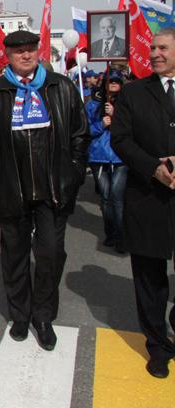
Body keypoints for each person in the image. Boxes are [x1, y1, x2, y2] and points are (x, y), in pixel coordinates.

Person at [0, 29, 89, 351]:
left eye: (30, 49)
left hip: (53, 191)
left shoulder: (60, 87)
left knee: (50, 254)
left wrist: (74, 174)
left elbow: (80, 134)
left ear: (38, 50)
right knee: (15, 257)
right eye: (18, 50)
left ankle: (43, 315)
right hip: (11, 190)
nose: (25, 55)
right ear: (7, 55)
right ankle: (20, 314)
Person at [110, 28, 175, 378]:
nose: (154, 53)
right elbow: (120, 139)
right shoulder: (134, 92)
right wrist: (154, 168)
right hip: (148, 197)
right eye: (152, 48)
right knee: (150, 277)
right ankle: (157, 345)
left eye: (162, 48)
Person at [86, 70, 127, 253]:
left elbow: (134, 127)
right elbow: (85, 130)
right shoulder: (93, 104)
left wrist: (116, 116)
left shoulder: (128, 104)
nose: (113, 85)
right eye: (111, 81)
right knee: (105, 198)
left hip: (120, 158)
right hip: (99, 156)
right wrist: (101, 124)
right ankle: (110, 233)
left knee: (118, 199)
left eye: (117, 82)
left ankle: (121, 237)